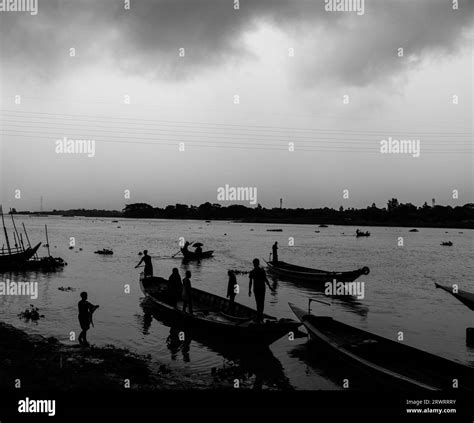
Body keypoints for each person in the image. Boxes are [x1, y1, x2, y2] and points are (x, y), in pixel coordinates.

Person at [249, 258, 274, 323]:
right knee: (261, 303)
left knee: (258, 303)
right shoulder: (262, 271)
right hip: (262, 288)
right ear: (258, 263)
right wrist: (270, 287)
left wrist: (249, 290)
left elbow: (250, 282)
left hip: (257, 289)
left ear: (254, 264)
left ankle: (259, 316)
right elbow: (265, 280)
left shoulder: (252, 272)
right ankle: (260, 316)